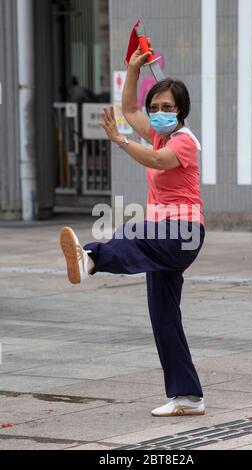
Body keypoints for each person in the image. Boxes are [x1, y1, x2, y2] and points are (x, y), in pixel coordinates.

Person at [59, 39, 206, 417]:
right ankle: (188, 396)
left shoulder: (184, 142)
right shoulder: (161, 132)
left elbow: (158, 160)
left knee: (135, 233)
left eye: (167, 108)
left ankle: (90, 257)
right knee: (163, 316)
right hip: (167, 234)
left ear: (181, 110)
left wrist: (122, 141)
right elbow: (127, 108)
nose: (158, 113)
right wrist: (135, 67)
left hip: (182, 234)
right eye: (154, 107)